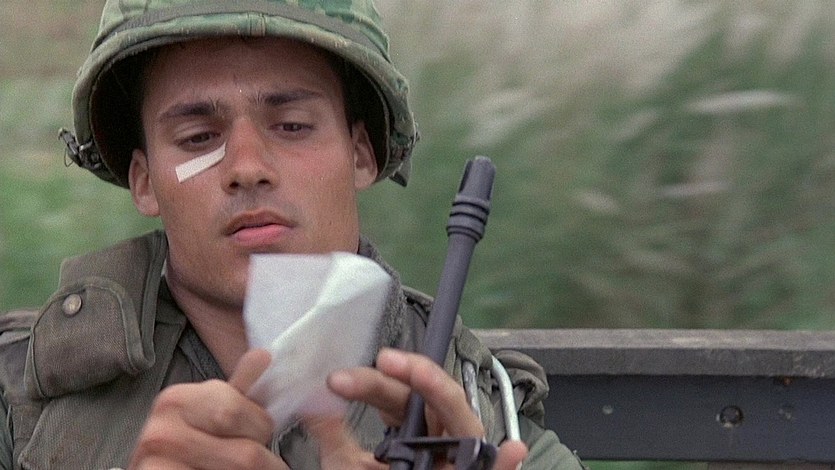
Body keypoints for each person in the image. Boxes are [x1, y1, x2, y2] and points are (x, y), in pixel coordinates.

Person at [0, 1, 584, 469]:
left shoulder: (480, 420)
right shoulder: (22, 403)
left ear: (361, 153)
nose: (247, 166)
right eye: (199, 138)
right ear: (145, 180)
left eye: (293, 126)